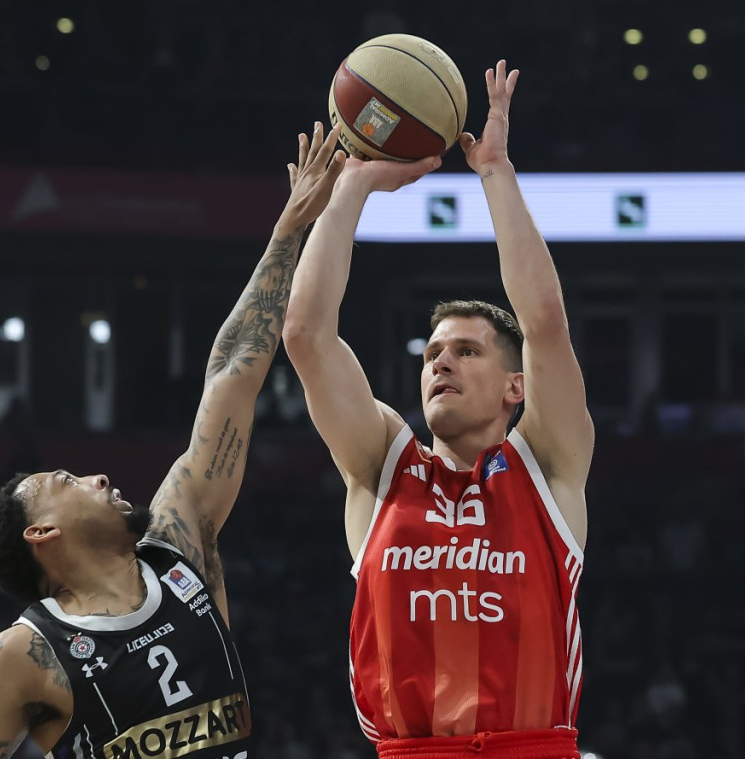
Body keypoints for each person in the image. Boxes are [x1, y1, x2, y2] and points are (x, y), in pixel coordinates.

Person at [0, 123, 346, 759]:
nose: (98, 477)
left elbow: (230, 375)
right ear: (41, 532)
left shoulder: (177, 546)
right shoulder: (22, 655)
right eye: (67, 482)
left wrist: (288, 230)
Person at [283, 61, 593, 759]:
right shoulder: (382, 464)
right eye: (431, 354)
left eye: (466, 351)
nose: (440, 363)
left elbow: (545, 324)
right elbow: (305, 335)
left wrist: (495, 173)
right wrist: (353, 183)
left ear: (515, 387)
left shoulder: (547, 465)